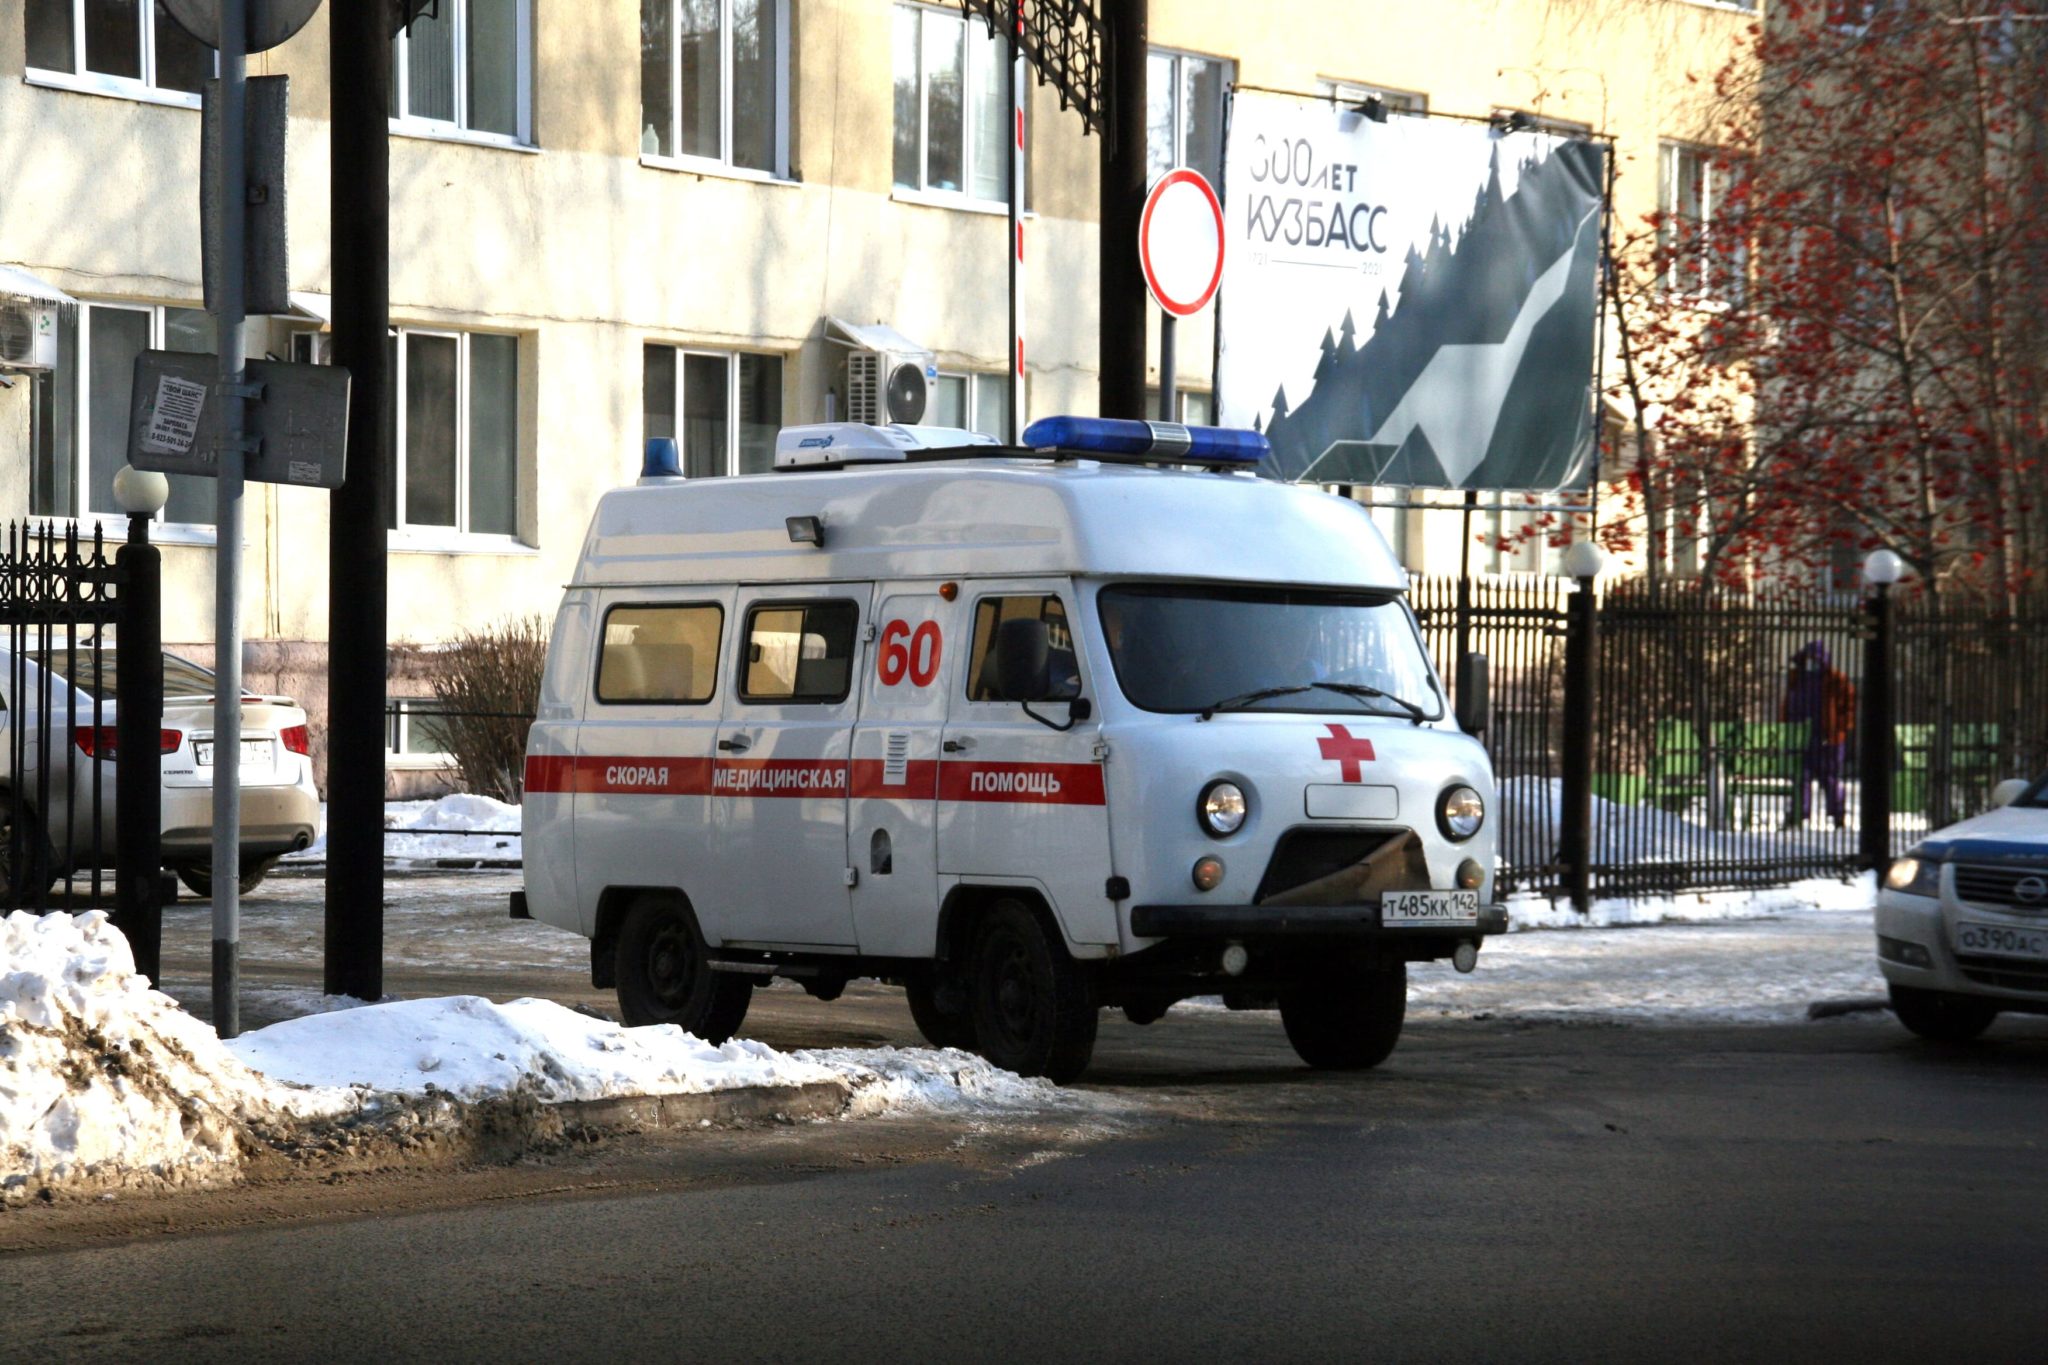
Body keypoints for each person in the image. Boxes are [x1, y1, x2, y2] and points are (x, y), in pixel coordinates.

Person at [1781, 639, 1856, 828]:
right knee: (1801, 778)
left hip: (1827, 739)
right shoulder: (1797, 679)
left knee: (1829, 778)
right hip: (1801, 737)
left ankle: (1838, 815)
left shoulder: (1836, 680)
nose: (1811, 663)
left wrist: (1838, 728)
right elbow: (1787, 705)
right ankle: (1799, 813)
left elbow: (1849, 707)